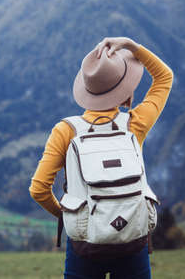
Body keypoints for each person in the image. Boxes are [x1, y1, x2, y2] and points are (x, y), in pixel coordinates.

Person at [29, 37, 173, 279]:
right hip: (132, 241)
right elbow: (164, 77)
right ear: (126, 95)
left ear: (87, 91)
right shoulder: (134, 125)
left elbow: (39, 190)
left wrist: (74, 216)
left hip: (85, 246)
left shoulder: (66, 131)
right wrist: (131, 46)